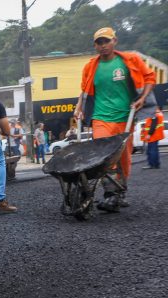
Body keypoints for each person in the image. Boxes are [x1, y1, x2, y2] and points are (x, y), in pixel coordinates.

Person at [73, 27, 156, 212]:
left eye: (106, 41)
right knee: (104, 156)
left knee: (123, 158)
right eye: (99, 43)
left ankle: (120, 191)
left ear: (114, 41)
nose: (102, 46)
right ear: (95, 45)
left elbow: (150, 77)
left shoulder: (129, 60)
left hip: (126, 117)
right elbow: (84, 90)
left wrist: (142, 99)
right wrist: (78, 108)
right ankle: (110, 194)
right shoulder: (91, 66)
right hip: (100, 117)